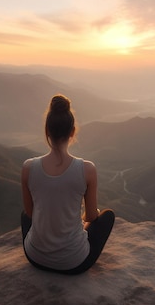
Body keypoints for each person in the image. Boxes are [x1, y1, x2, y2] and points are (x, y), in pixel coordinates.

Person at [21, 94, 115, 274]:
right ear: (72, 132)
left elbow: (30, 213)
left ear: (47, 130)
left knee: (24, 216)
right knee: (107, 216)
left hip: (35, 258)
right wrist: (87, 216)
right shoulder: (87, 169)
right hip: (73, 263)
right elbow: (91, 218)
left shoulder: (28, 167)